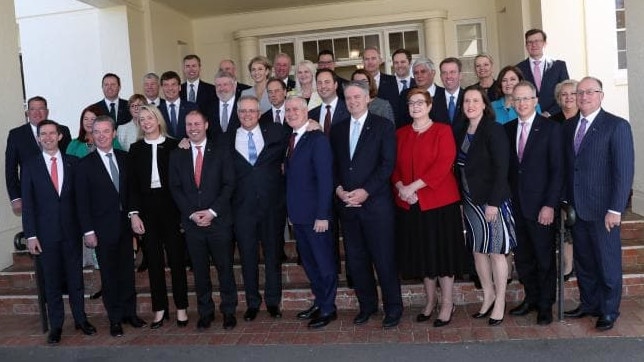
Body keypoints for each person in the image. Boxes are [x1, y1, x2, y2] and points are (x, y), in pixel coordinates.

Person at [563, 76, 634, 331]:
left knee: (607, 262)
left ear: (601, 95)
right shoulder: (569, 126)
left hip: (605, 211)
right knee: (584, 261)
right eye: (579, 92)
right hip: (578, 209)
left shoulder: (616, 126)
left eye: (590, 92)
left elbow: (623, 172)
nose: (583, 96)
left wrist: (616, 209)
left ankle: (608, 310)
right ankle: (589, 304)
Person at [330, 81, 403, 328]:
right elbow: (335, 166)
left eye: (357, 97)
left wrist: (365, 191)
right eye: (348, 98)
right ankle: (367, 306)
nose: (352, 102)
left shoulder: (383, 126)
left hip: (376, 205)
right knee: (357, 260)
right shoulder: (338, 130)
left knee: (384, 260)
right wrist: (339, 189)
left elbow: (387, 164)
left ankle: (393, 308)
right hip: (347, 206)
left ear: (367, 98)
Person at [392, 88, 465, 327]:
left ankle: (447, 304)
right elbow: (394, 166)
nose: (415, 106)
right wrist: (402, 187)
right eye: (411, 103)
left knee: (442, 255)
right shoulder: (400, 133)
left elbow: (444, 164)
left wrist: (413, 187)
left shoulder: (442, 131)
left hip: (439, 204)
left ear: (430, 105)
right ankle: (430, 301)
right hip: (410, 204)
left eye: (420, 102)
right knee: (423, 255)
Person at [21, 119, 96, 344]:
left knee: (76, 280)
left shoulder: (73, 163)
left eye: (52, 133)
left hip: (72, 233)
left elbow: (81, 202)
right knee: (51, 282)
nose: (48, 137)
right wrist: (31, 235)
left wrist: (88, 230)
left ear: (60, 136)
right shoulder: (30, 165)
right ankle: (56, 326)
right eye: (43, 134)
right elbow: (28, 204)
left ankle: (81, 319)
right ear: (38, 138)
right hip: (45, 236)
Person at [75, 115, 147, 337]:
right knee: (108, 275)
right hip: (101, 230)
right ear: (92, 135)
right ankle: (114, 319)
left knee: (127, 273)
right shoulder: (84, 165)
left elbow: (133, 191)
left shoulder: (126, 159)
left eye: (106, 131)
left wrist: (134, 215)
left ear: (114, 133)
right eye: (97, 132)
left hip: (125, 228)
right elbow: (82, 202)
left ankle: (130, 314)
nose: (102, 136)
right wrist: (88, 231)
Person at [168, 110, 238, 331]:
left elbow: (229, 184)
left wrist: (212, 212)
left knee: (225, 269)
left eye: (197, 123)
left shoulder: (222, 151)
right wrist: (192, 213)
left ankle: (229, 311)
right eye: (189, 124)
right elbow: (175, 187)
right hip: (192, 224)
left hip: (218, 222)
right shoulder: (177, 154)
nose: (193, 128)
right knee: (199, 272)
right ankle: (205, 312)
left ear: (206, 125)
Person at [456, 85, 516, 327]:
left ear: (484, 104)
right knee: (478, 250)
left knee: (495, 251)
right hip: (470, 201)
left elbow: (503, 169)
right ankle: (488, 294)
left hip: (492, 201)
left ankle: (500, 301)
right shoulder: (460, 129)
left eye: (475, 101)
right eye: (466, 101)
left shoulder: (494, 129)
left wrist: (494, 202)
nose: (470, 105)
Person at [505, 81, 563, 326]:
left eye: (526, 98)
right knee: (524, 258)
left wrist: (550, 204)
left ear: (536, 100)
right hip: (515, 206)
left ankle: (545, 305)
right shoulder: (506, 129)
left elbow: (558, 170)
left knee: (544, 258)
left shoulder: (550, 129)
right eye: (517, 99)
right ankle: (531, 298)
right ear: (512, 103)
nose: (521, 103)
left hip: (542, 208)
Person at [128, 105, 189, 329]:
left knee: (176, 260)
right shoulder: (135, 149)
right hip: (147, 210)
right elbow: (131, 186)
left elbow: (184, 181)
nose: (146, 122)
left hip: (171, 208)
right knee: (153, 262)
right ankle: (160, 309)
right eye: (141, 119)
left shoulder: (175, 145)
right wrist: (134, 214)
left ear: (158, 119)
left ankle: (181, 308)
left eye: (149, 117)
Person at [228, 95, 287, 322]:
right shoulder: (226, 139)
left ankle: (273, 302)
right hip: (242, 209)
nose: (247, 115)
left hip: (272, 206)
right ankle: (252, 303)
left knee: (273, 256)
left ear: (259, 113)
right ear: (237, 114)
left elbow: (297, 134)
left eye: (252, 111)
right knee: (248, 257)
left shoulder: (276, 132)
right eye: (243, 111)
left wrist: (313, 123)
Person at [284, 96, 337, 329]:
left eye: (296, 109)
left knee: (324, 263)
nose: (291, 113)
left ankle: (329, 308)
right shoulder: (292, 138)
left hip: (317, 216)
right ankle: (319, 301)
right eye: (288, 110)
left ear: (307, 112)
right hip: (298, 215)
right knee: (309, 262)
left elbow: (326, 180)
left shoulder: (317, 139)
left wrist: (323, 214)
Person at [66, 105, 122, 270]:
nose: (89, 122)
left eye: (93, 119)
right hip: (85, 204)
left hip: (110, 209)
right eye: (86, 119)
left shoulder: (114, 143)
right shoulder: (74, 145)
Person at [5, 96, 71, 216]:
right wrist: (15, 198)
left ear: (47, 111)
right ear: (27, 113)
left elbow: (69, 163)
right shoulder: (16, 135)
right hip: (31, 195)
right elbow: (10, 169)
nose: (37, 113)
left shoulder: (63, 131)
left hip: (61, 194)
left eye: (41, 108)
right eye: (33, 109)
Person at [550, 79, 579, 280]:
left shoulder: (584, 119)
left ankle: (577, 263)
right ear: (558, 99)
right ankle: (567, 265)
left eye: (572, 93)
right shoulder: (552, 122)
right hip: (559, 178)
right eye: (564, 95)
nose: (568, 98)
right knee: (564, 226)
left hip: (581, 181)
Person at [516, 29, 570, 117]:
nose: (534, 45)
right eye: (530, 42)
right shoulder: (518, 69)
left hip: (556, 117)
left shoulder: (559, 66)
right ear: (526, 45)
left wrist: (549, 113)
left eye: (537, 41)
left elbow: (565, 93)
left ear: (544, 43)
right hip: (529, 118)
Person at [159, 71, 199, 139]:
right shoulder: (157, 111)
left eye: (173, 84)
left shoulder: (192, 107)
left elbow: (198, 130)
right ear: (162, 88)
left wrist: (188, 140)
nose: (170, 88)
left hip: (188, 148)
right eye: (166, 85)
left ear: (179, 87)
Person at [308, 69, 350, 136]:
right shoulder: (310, 115)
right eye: (319, 83)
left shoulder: (349, 109)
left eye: (327, 82)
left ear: (335, 85)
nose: (323, 86)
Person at [362, 47, 399, 117]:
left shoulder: (393, 81)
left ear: (380, 61)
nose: (370, 62)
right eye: (367, 59)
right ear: (363, 62)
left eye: (373, 58)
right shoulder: (357, 83)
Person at [430, 57, 465, 130]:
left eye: (452, 72)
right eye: (444, 73)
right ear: (440, 76)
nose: (448, 76)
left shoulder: (468, 98)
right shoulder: (432, 101)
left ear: (460, 75)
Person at [209, 70, 242, 140]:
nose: (222, 89)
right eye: (218, 85)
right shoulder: (208, 107)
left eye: (225, 84)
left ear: (234, 85)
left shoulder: (243, 104)